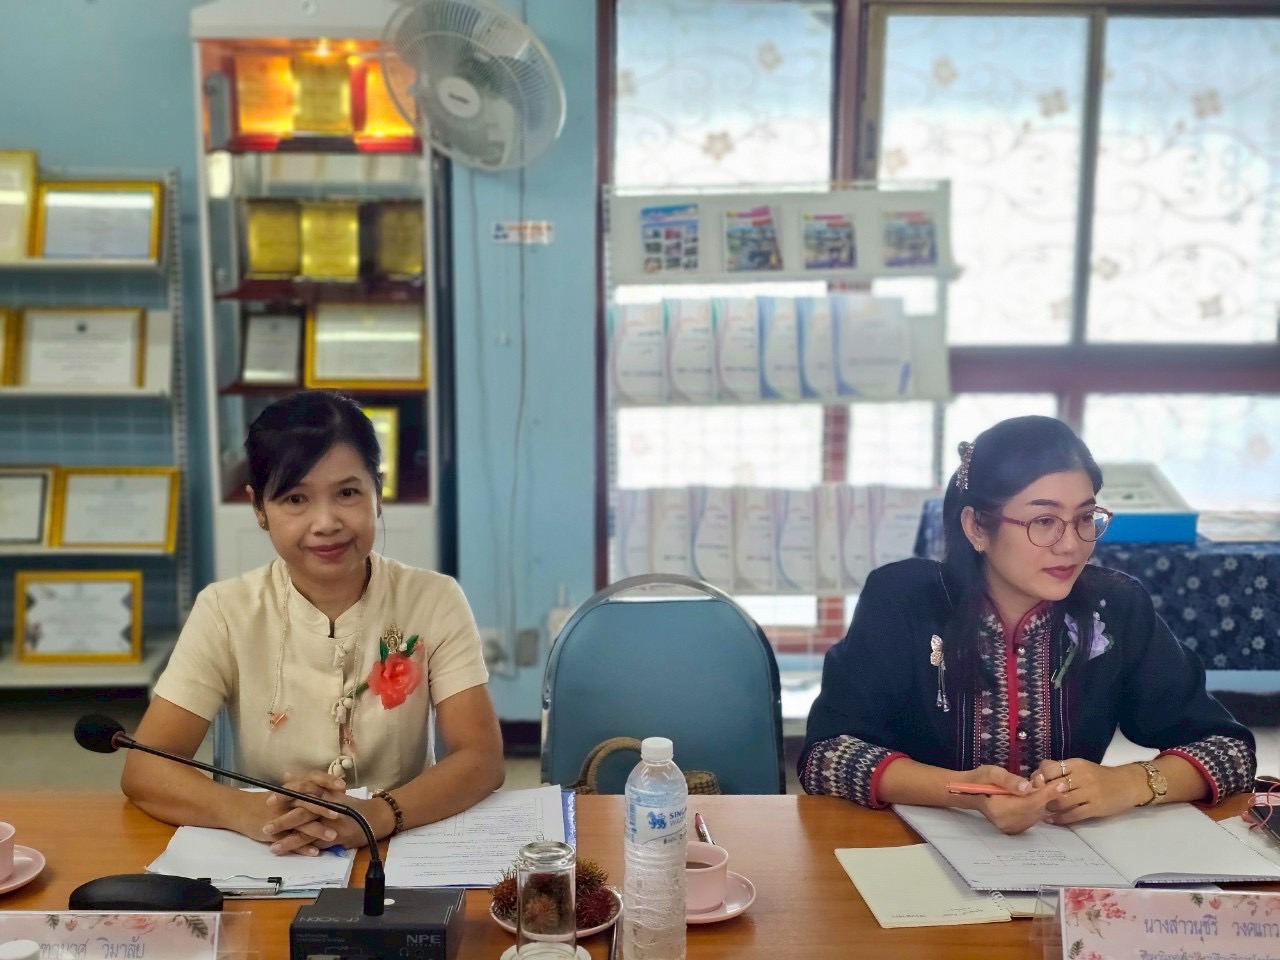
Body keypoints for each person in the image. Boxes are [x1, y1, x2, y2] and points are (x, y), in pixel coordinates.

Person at [800, 415, 1255, 835]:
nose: (1071, 545)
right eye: (1044, 521)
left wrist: (1130, 783)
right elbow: (826, 756)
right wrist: (964, 792)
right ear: (977, 527)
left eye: (1084, 518)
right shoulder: (903, 600)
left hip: (1073, 861)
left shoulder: (1115, 607)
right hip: (909, 850)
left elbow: (1230, 751)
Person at [122, 391, 504, 854]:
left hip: (402, 841)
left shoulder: (434, 599)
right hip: (268, 849)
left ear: (378, 493)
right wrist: (247, 811)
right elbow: (145, 769)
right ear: (259, 509)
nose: (325, 522)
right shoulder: (225, 610)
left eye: (347, 493)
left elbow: (481, 758)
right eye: (295, 498)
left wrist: (378, 814)